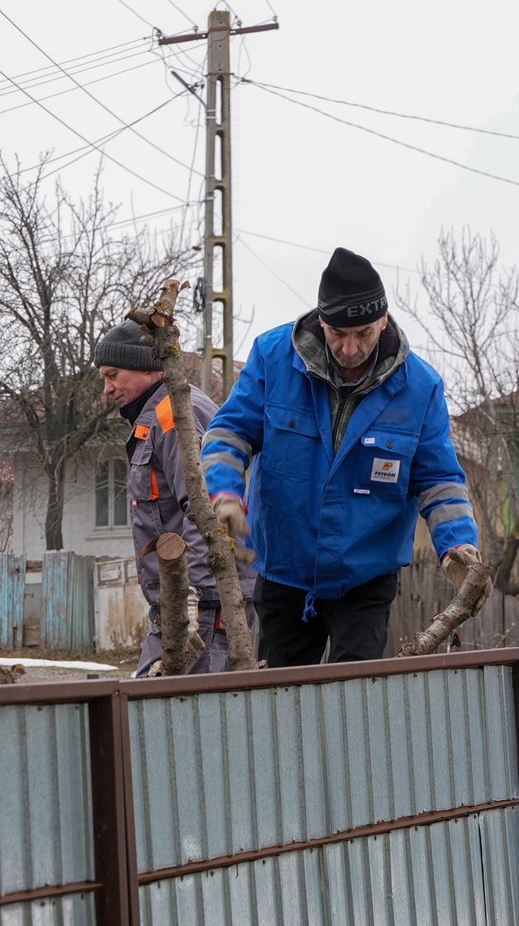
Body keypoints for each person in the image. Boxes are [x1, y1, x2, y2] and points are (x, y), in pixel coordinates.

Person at [201, 246, 482, 667]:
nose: (350, 349)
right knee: (280, 696)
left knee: (355, 697)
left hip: (365, 577)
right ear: (320, 320)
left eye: (363, 334)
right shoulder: (273, 359)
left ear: (383, 320)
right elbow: (229, 433)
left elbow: (440, 481)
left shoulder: (421, 388)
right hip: (284, 571)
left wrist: (458, 545)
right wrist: (224, 494)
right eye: (337, 333)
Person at [96, 322, 256, 676]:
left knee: (185, 705)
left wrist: (191, 596)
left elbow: (204, 510)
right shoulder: (155, 417)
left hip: (203, 605)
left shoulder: (174, 416)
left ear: (144, 366)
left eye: (112, 375)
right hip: (180, 604)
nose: (107, 388)